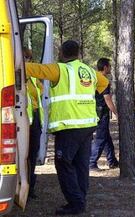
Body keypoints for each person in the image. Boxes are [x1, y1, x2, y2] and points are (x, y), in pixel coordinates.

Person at [25, 40, 109, 215]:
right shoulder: (89, 72)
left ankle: (76, 203)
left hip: (69, 126)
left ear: (62, 53)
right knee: (81, 164)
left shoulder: (59, 69)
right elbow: (104, 83)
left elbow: (32, 69)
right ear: (79, 54)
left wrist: (16, 60)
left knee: (63, 163)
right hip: (87, 126)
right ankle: (80, 199)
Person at [89, 58, 119, 171]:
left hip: (94, 110)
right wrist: (115, 113)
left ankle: (112, 161)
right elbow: (107, 99)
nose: (110, 68)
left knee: (106, 137)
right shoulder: (103, 80)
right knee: (101, 138)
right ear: (105, 67)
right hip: (101, 112)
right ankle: (91, 162)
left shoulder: (94, 77)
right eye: (110, 66)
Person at [23, 48, 43, 199]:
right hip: (21, 120)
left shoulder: (33, 77)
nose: (27, 61)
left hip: (34, 120)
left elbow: (40, 93)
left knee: (32, 154)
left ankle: (30, 187)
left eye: (28, 58)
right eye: (24, 58)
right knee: (22, 155)